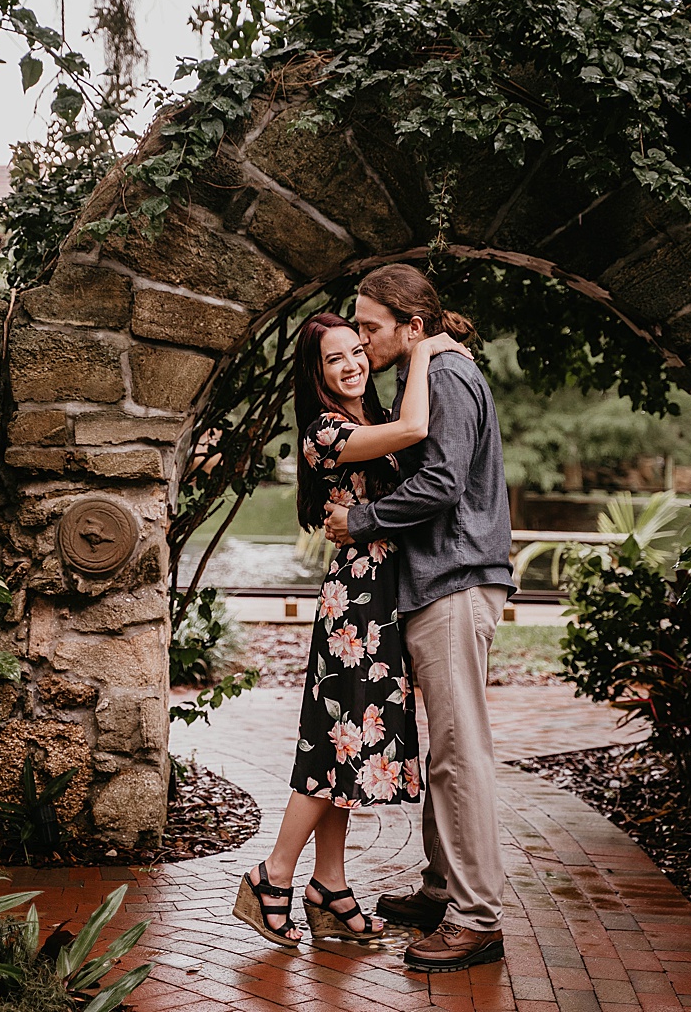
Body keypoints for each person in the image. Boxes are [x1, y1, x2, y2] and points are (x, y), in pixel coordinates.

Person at [233, 312, 466, 948]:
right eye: (336, 359)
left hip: (382, 602)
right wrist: (423, 352)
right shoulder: (326, 433)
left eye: (358, 351)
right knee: (333, 746)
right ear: (318, 375)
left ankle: (329, 886)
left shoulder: (366, 423)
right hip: (356, 609)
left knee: (347, 752)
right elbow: (417, 428)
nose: (354, 364)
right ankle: (272, 876)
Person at [323, 263, 516, 973]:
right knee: (447, 750)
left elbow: (441, 482)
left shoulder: (444, 378)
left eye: (370, 327)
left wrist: (360, 519)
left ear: (412, 325)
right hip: (443, 583)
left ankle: (476, 917)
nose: (361, 339)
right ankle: (444, 888)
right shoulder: (426, 374)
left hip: (456, 582)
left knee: (461, 752)